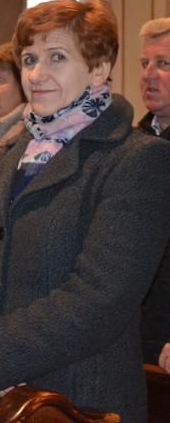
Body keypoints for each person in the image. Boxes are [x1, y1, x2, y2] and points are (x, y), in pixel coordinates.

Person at [0, 0, 170, 422]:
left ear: (98, 67)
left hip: (73, 399)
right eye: (29, 60)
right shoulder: (11, 156)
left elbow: (101, 297)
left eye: (57, 57)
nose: (36, 74)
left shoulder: (136, 159)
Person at [138, 18, 170, 371]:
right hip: (136, 330)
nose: (149, 74)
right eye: (144, 63)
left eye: (164, 63)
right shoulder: (133, 142)